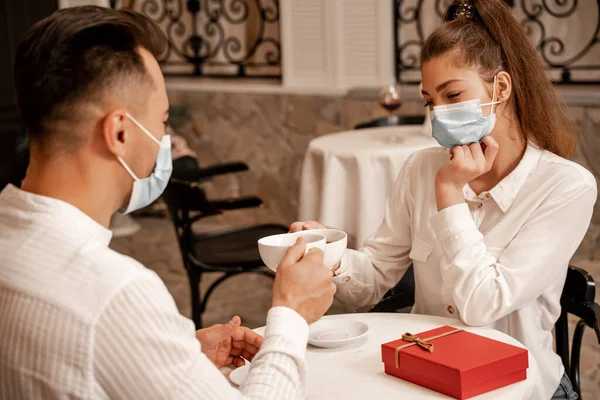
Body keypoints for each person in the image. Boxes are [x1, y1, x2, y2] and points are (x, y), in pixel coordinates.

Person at [0, 6, 335, 399]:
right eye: (162, 123)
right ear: (120, 133)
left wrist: (178, 353)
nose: (164, 140)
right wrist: (290, 315)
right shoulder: (117, 294)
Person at [292, 1, 595, 399]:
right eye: (430, 101)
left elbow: (484, 306)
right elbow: (372, 281)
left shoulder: (565, 186)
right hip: (428, 371)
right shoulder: (419, 168)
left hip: (519, 386)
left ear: (500, 88)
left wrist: (450, 196)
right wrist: (326, 253)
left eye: (452, 94)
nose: (439, 113)